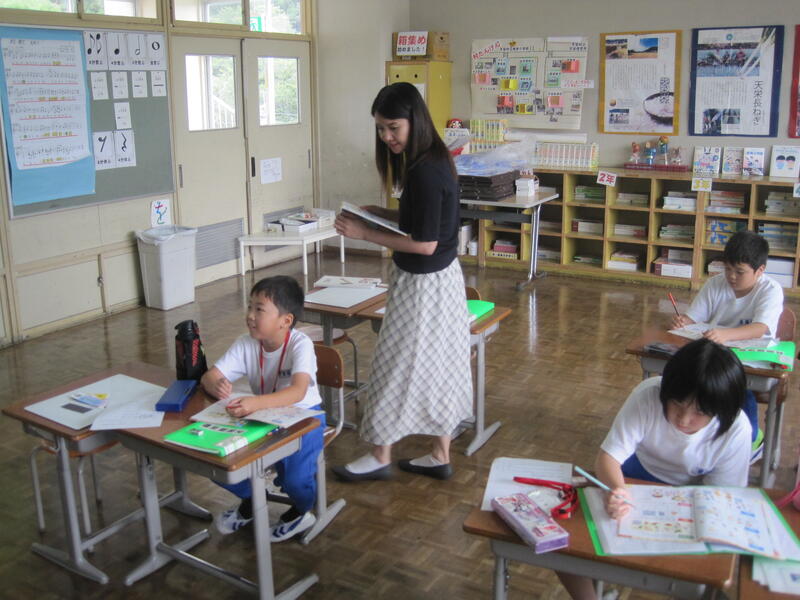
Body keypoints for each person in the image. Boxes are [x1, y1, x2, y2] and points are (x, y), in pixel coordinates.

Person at [331, 82, 472, 482]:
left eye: (393, 127)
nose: (386, 137)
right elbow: (424, 224)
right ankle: (440, 454)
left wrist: (365, 233)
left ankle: (380, 455)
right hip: (440, 282)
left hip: (424, 286)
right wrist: (380, 214)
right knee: (440, 366)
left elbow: (425, 244)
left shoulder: (425, 169)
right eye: (380, 128)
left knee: (392, 367)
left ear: (414, 120)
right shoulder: (431, 158)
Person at [558, 338, 751, 600]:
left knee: (704, 569)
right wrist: (617, 490)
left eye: (700, 412)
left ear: (719, 409)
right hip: (634, 475)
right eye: (677, 404)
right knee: (569, 539)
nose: (684, 419)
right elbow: (608, 458)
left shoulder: (736, 430)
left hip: (693, 492)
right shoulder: (648, 396)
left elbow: (721, 499)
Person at [200, 276, 324, 541]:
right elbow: (210, 377)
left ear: (285, 320)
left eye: (259, 309)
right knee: (215, 460)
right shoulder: (246, 342)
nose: (250, 316)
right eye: (250, 307)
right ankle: (253, 499)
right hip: (264, 417)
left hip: (305, 419)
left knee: (294, 480)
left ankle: (302, 510)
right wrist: (216, 385)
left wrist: (254, 402)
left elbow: (298, 391)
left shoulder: (301, 344)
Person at [671, 230, 783, 456]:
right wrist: (684, 322)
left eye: (739, 272)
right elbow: (695, 317)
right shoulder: (715, 284)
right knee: (686, 378)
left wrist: (726, 335)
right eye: (727, 268)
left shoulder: (770, 290)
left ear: (760, 270)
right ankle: (703, 434)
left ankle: (751, 440)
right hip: (713, 356)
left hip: (750, 361)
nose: (731, 276)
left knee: (737, 387)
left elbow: (761, 327)